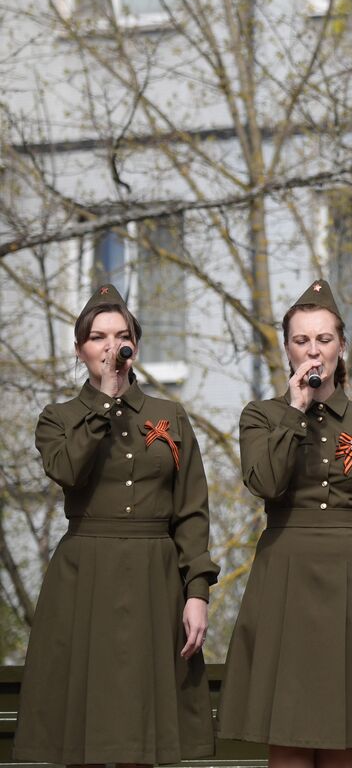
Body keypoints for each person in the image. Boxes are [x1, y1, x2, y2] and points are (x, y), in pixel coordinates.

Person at [14, 282, 219, 766]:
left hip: (155, 580)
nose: (111, 346)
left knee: (141, 737)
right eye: (98, 337)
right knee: (82, 734)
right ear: (80, 349)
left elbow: (192, 510)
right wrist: (105, 400)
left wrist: (197, 592)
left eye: (121, 335)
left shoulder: (170, 415)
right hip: (85, 579)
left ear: (135, 344)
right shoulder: (58, 418)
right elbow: (67, 470)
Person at [219, 280, 352, 767]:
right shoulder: (261, 416)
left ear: (342, 346)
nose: (313, 351)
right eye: (301, 340)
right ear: (287, 348)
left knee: (340, 736)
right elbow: (265, 483)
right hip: (285, 579)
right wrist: (296, 409)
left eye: (324, 340)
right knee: (285, 732)